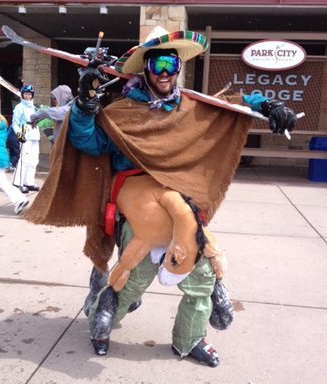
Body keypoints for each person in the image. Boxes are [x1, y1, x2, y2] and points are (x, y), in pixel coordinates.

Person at [24, 26, 297, 367]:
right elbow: (88, 142)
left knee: (201, 277)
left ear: (178, 69)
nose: (165, 74)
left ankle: (190, 340)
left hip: (182, 205)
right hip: (137, 207)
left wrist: (268, 105)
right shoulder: (123, 112)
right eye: (157, 66)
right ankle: (100, 323)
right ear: (146, 69)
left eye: (171, 65)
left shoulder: (192, 108)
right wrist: (84, 104)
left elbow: (232, 105)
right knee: (133, 280)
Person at [12, 84, 40, 193]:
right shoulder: (19, 107)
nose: (28, 96)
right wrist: (20, 135)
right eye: (26, 94)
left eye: (29, 94)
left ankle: (29, 182)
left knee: (34, 160)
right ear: (23, 95)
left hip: (34, 133)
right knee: (24, 159)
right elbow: (15, 124)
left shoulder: (34, 107)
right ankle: (18, 183)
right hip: (24, 132)